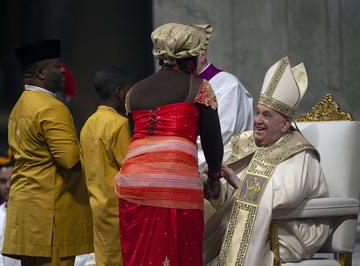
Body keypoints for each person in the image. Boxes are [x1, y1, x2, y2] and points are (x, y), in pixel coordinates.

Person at [114, 23, 225, 266]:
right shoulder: (199, 88)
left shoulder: (134, 92)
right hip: (176, 183)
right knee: (179, 255)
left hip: (133, 183)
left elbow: (137, 137)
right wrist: (214, 178)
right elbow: (213, 143)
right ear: (190, 57)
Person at [203, 57, 330, 265]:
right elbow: (227, 199)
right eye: (258, 112)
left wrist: (239, 184)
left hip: (285, 232)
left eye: (267, 115)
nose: (257, 120)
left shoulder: (299, 153)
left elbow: (283, 197)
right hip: (240, 228)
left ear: (285, 124)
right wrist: (215, 182)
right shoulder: (247, 143)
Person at [2, 39, 93, 266]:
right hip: (50, 212)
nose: (62, 70)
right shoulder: (50, 107)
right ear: (41, 72)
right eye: (57, 65)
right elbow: (69, 159)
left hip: (27, 209)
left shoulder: (20, 105)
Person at [80, 66, 132, 265]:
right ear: (119, 92)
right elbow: (130, 170)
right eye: (129, 90)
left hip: (97, 210)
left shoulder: (87, 125)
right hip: (119, 211)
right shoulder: (119, 124)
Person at [193, 24, 254, 170]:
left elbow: (223, 134)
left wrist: (182, 151)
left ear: (202, 54)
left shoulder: (229, 85)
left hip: (225, 168)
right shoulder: (182, 86)